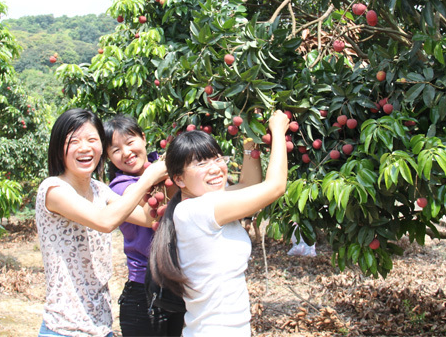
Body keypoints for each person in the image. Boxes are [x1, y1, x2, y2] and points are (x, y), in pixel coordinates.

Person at [149, 110, 289, 336]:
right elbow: (275, 187)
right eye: (201, 164)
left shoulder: (202, 204)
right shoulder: (197, 211)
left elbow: (248, 184)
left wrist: (250, 135)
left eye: (216, 158)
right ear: (179, 179)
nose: (215, 168)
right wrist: (279, 131)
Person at [35, 108, 167, 337]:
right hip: (64, 328)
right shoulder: (53, 189)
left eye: (92, 140)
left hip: (101, 326)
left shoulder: (99, 189)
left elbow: (147, 218)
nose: (85, 148)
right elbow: (104, 221)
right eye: (73, 141)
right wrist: (148, 178)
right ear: (58, 149)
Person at [103, 114, 184, 336]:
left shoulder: (161, 167)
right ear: (109, 157)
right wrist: (155, 174)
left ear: (144, 138)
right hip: (144, 293)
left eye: (130, 142)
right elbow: (152, 215)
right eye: (115, 150)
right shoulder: (119, 187)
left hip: (179, 285)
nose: (126, 153)